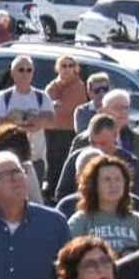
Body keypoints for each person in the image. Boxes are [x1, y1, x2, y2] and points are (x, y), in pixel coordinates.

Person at [0, 55, 57, 178]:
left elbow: (51, 121)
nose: (25, 73)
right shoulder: (4, 97)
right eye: (21, 69)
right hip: (9, 158)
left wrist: (32, 119)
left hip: (36, 159)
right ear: (12, 73)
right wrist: (15, 121)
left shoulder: (42, 97)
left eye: (29, 70)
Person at [66, 154, 139, 256]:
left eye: (118, 179)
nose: (113, 185)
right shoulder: (80, 221)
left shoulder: (138, 221)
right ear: (94, 185)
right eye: (107, 180)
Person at [44, 55, 87, 185]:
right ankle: (50, 188)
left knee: (62, 162)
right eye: (63, 66)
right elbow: (45, 102)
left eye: (70, 65)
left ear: (76, 68)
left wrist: (54, 105)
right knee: (51, 161)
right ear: (58, 68)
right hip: (51, 128)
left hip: (67, 131)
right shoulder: (54, 84)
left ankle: (58, 189)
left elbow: (65, 109)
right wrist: (54, 102)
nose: (67, 69)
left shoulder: (78, 86)